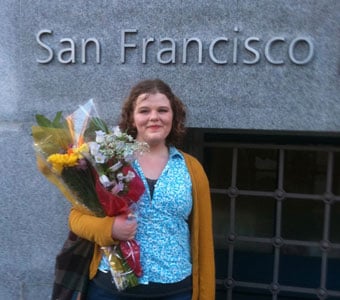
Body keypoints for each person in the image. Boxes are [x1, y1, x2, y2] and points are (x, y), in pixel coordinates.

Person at [68, 79, 215, 300]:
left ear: (173, 116)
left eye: (162, 110)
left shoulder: (191, 168)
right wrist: (109, 229)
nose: (154, 117)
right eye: (144, 110)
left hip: (175, 291)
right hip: (110, 289)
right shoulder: (109, 159)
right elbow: (75, 218)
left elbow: (203, 239)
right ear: (132, 118)